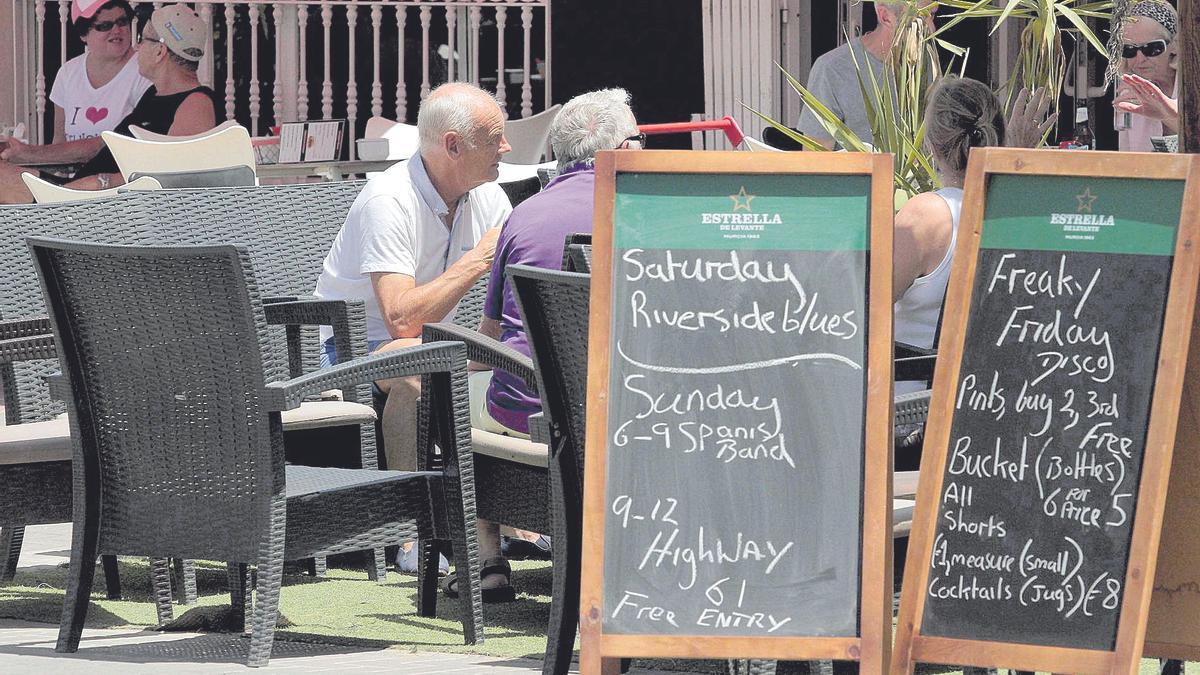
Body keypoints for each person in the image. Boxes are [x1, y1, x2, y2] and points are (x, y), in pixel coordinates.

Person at [311, 82, 512, 591]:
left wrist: (496, 345)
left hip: (435, 342)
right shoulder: (389, 198)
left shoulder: (487, 196)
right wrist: (480, 258)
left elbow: (504, 305)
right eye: (495, 138)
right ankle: (411, 536)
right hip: (351, 348)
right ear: (452, 145)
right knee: (417, 374)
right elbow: (400, 319)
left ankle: (506, 518)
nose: (506, 149)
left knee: (514, 361)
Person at [449, 88, 642, 591]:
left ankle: (487, 561)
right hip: (625, 418)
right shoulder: (648, 213)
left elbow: (492, 335)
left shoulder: (523, 215)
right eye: (639, 138)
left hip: (525, 412)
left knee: (455, 396)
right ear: (621, 150)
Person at [0, 4, 218, 203]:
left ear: (159, 52)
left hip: (94, 209)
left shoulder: (196, 104)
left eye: (142, 39)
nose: (137, 46)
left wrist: (101, 183)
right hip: (78, 196)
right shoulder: (155, 94)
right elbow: (103, 146)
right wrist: (27, 153)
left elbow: (171, 176)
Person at [893, 76, 1006, 396]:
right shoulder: (1013, 217)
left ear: (931, 143)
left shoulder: (927, 216)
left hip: (913, 411)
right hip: (992, 403)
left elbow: (858, 309)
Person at [797, 0, 937, 149]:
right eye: (921, 18)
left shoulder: (929, 64)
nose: (931, 28)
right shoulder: (832, 70)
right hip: (860, 172)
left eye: (932, 16)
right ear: (885, 16)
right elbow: (816, 161)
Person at [52, 0, 152, 144]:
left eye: (122, 22)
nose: (117, 30)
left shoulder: (146, 70)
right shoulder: (67, 73)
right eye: (105, 26)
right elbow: (59, 140)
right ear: (83, 34)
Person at [1112, 0, 1179, 151]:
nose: (1139, 59)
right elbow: (1127, 157)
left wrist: (1164, 114)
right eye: (1129, 50)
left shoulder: (1193, 84)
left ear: (1175, 46)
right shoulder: (1130, 91)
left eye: (1152, 48)